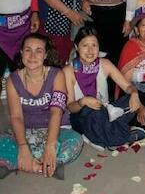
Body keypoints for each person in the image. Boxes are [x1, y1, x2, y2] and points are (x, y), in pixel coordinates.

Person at [0, 33, 83, 179]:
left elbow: (56, 113)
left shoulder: (57, 75)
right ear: (21, 53)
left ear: (45, 55)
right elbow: (16, 117)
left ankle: (32, 161)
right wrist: (23, 147)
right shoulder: (12, 80)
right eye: (28, 50)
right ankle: (39, 164)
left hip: (57, 130)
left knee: (75, 141)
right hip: (28, 132)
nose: (32, 55)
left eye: (38, 51)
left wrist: (51, 146)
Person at [64, 27, 145, 151]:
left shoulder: (105, 63)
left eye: (94, 45)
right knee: (94, 112)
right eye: (85, 45)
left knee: (131, 99)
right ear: (76, 47)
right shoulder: (68, 70)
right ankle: (121, 136)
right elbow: (70, 107)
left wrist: (134, 93)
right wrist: (83, 101)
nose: (90, 50)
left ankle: (99, 136)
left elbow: (127, 86)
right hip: (83, 117)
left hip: (106, 111)